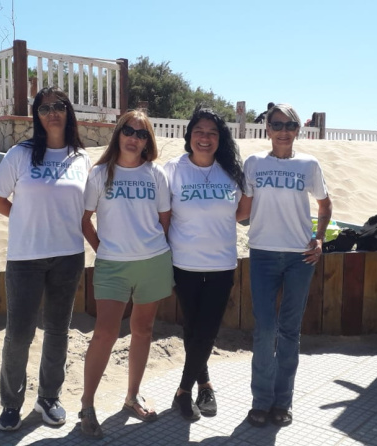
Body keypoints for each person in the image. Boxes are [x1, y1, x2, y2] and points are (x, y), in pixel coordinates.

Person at [0, 87, 90, 431]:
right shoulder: (20, 153)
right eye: (44, 108)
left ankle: (49, 397)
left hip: (68, 257)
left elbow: (88, 208)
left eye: (59, 106)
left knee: (58, 331)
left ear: (68, 112)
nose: (52, 112)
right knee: (19, 334)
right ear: (37, 115)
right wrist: (24, 218)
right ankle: (11, 403)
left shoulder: (81, 158)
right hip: (26, 257)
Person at [79, 110, 173, 439]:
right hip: (112, 265)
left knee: (143, 329)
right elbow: (84, 219)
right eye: (129, 131)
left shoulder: (156, 173)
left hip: (153, 262)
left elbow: (165, 219)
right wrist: (102, 247)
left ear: (148, 140)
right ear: (118, 133)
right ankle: (87, 406)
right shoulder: (100, 174)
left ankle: (132, 396)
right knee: (105, 333)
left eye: (142, 133)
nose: (134, 138)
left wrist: (153, 246)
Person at [238, 103, 333, 428]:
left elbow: (324, 203)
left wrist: (319, 238)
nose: (282, 130)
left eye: (289, 125)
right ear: (267, 128)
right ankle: (261, 402)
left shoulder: (309, 165)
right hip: (263, 254)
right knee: (265, 331)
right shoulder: (253, 163)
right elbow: (243, 208)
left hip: (299, 258)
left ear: (297, 130)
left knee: (289, 331)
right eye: (276, 124)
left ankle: (283, 402)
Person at [163, 106, 246, 421]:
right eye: (199, 131)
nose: (205, 138)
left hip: (222, 263)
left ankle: (183, 391)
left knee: (208, 330)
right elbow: (164, 216)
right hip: (184, 263)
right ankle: (205, 384)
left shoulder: (230, 171)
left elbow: (242, 210)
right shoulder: (174, 169)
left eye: (212, 132)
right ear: (189, 135)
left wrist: (217, 221)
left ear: (219, 138)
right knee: (193, 327)